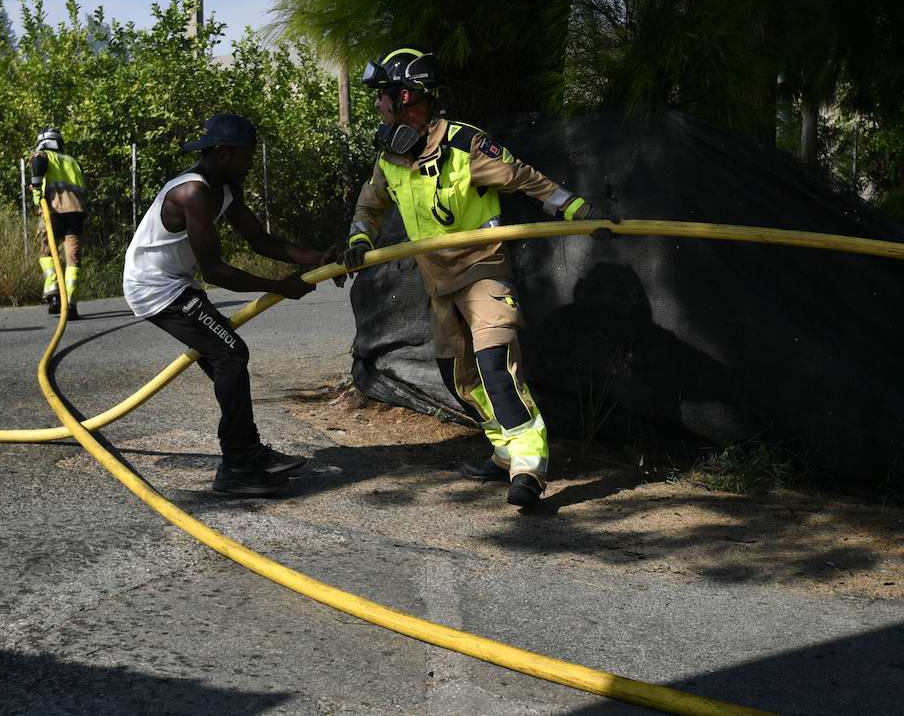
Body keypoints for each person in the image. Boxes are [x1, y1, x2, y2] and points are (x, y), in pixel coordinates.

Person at [341, 48, 617, 510]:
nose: (376, 106)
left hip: (482, 273)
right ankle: (505, 450)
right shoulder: (390, 156)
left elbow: (525, 179)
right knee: (458, 378)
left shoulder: (466, 146)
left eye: (382, 96)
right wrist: (359, 239)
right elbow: (370, 207)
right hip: (438, 284)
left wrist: (579, 210)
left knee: (495, 368)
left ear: (405, 95)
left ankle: (529, 466)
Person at [123, 113, 334, 497]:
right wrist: (280, 287)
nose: (250, 163)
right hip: (153, 288)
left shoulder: (225, 188)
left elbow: (261, 241)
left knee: (227, 357)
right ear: (221, 153)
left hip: (176, 284)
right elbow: (215, 270)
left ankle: (245, 455)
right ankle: (239, 462)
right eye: (246, 155)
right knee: (230, 354)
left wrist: (318, 258)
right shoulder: (194, 193)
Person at [30, 127, 88, 320]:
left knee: (47, 253)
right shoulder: (73, 161)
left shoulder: (43, 155)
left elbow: (37, 164)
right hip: (77, 213)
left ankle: (54, 296)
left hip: (53, 212)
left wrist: (37, 190)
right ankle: (70, 305)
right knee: (73, 259)